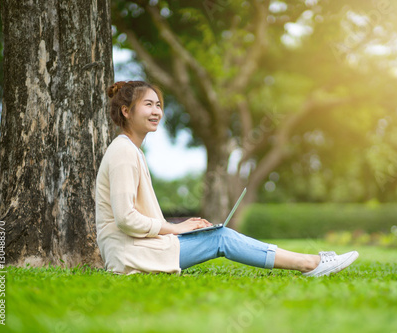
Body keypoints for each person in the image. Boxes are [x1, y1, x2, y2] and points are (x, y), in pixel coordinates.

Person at [95, 80, 359, 276]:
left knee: (217, 233)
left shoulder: (132, 151)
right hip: (131, 256)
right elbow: (125, 218)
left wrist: (182, 226)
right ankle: (310, 263)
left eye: (159, 105)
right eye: (148, 105)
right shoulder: (123, 152)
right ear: (126, 112)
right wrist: (176, 228)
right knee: (221, 238)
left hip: (142, 248)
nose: (156, 111)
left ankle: (311, 262)